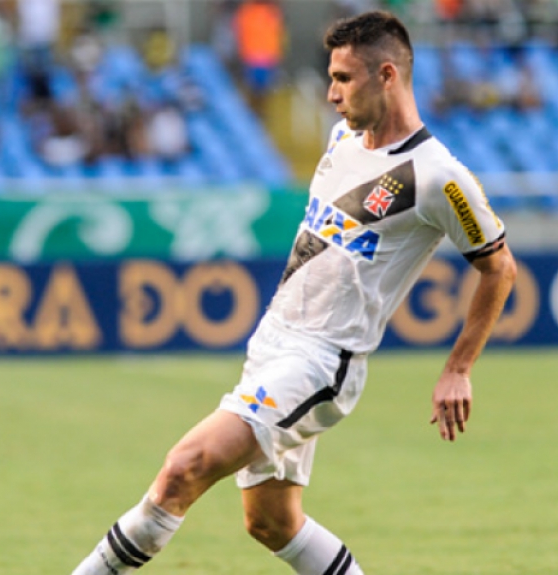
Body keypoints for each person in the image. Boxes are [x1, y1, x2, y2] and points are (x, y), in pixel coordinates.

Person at [71, 11, 517, 575]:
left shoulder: (437, 177)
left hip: (318, 362)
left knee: (182, 469)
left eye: (343, 79)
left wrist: (459, 367)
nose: (331, 94)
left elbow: (499, 268)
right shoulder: (342, 139)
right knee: (271, 522)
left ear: (387, 75)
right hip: (271, 345)